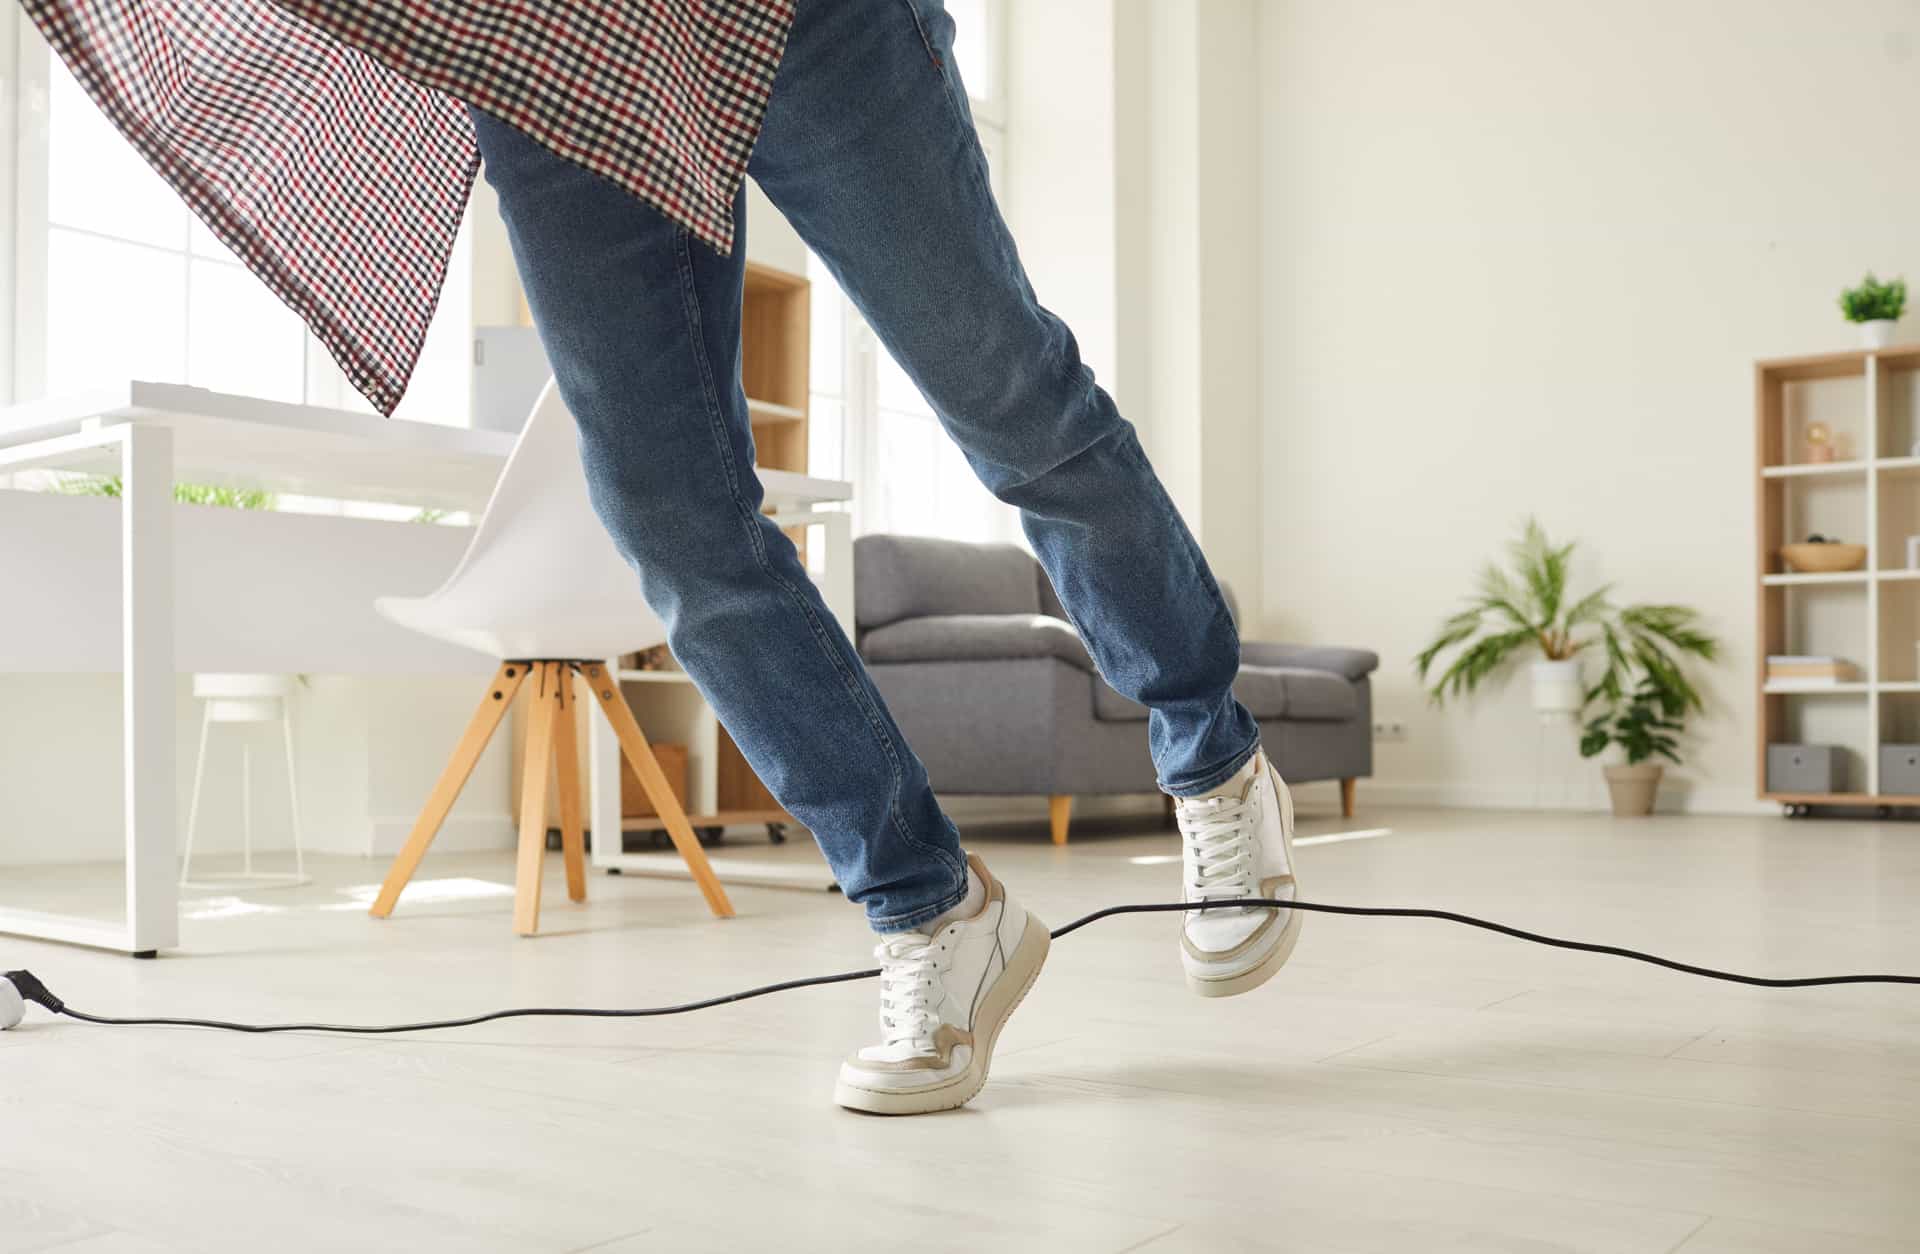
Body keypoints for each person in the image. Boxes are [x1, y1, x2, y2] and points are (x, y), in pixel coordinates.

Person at [28, 0, 1299, 1115]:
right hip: (547, 51)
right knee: (672, 520)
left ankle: (1213, 750)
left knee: (1008, 396)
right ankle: (930, 910)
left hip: (807, 22)